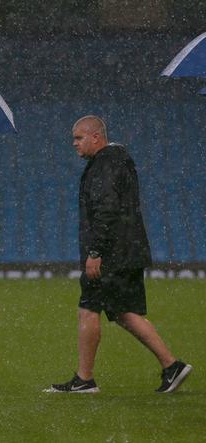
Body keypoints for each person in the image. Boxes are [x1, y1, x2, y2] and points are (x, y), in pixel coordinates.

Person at [46, 115, 192, 394]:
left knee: (88, 309)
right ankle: (171, 366)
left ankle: (85, 379)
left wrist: (95, 251)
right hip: (128, 251)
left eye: (78, 138)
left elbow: (107, 209)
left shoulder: (104, 164)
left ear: (96, 137)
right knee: (125, 312)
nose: (74, 144)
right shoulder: (117, 161)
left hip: (112, 254)